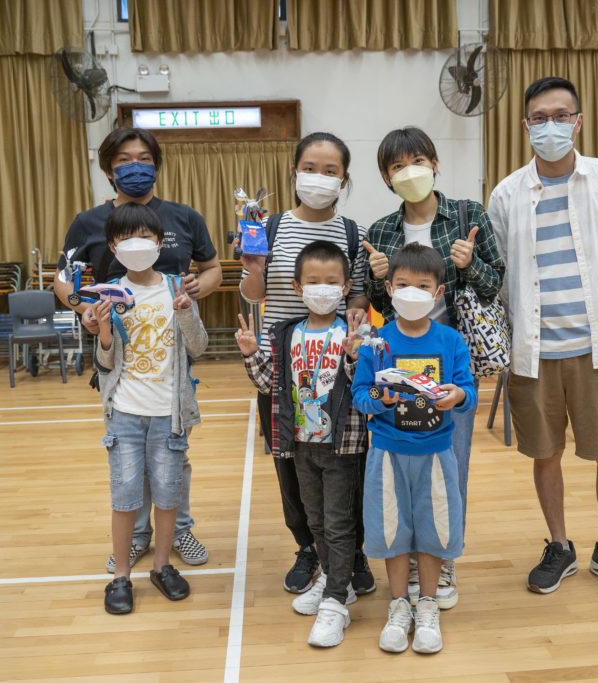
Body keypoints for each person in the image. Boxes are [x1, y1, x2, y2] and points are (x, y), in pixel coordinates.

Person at [486, 76, 598, 598]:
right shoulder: (506, 194)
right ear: (525, 126)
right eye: (540, 118)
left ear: (578, 122)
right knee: (545, 454)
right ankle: (559, 546)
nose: (550, 126)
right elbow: (500, 275)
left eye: (561, 115)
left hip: (597, 349)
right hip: (534, 352)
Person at [55, 126, 220, 574]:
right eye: (124, 160)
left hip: (172, 357)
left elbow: (213, 270)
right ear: (109, 169)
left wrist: (192, 294)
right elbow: (63, 278)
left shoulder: (183, 217)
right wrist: (85, 309)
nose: (135, 166)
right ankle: (137, 537)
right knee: (129, 458)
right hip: (120, 357)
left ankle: (179, 529)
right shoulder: (87, 222)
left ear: (157, 164)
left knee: (172, 457)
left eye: (144, 158)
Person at [363, 127, 504, 609]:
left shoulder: (468, 214)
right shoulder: (381, 231)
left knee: (450, 466)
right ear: (386, 177)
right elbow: (383, 303)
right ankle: (405, 560)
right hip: (399, 365)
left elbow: (494, 283)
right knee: (400, 463)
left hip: (450, 360)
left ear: (435, 163)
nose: (410, 172)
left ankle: (442, 562)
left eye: (418, 161)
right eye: (398, 166)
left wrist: (469, 264)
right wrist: (378, 279)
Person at [238, 132, 375, 596]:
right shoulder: (268, 227)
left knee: (347, 467)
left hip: (339, 370)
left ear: (344, 179)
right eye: (310, 168)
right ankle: (308, 548)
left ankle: (352, 551)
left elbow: (359, 293)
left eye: (330, 171)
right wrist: (255, 266)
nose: (319, 177)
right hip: (283, 369)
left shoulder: (353, 233)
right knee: (291, 468)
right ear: (294, 172)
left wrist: (355, 313)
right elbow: (253, 293)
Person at [235, 241, 368, 647]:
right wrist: (251, 354)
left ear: (346, 286)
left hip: (342, 446)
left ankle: (335, 604)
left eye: (331, 281)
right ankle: (335, 582)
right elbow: (269, 385)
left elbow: (364, 386)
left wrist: (354, 357)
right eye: (313, 281)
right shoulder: (285, 333)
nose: (322, 288)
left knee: (340, 524)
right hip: (300, 445)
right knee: (316, 522)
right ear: (297, 287)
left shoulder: (355, 332)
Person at [352, 243, 476, 654]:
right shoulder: (376, 341)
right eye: (403, 284)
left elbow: (468, 392)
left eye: (423, 286)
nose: (412, 293)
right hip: (387, 452)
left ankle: (427, 604)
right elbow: (361, 395)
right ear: (389, 289)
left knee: (434, 527)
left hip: (437, 453)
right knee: (392, 528)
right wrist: (382, 399)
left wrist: (457, 395)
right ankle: (398, 604)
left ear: (438, 293)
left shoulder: (451, 340)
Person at [92, 203, 208, 614]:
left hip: (169, 413)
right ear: (113, 246)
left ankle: (162, 566)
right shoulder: (110, 293)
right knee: (124, 495)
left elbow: (198, 347)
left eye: (145, 237)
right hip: (124, 412)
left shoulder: (177, 287)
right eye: (126, 239)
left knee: (167, 492)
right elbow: (105, 364)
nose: (137, 245)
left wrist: (186, 314)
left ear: (160, 243)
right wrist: (104, 332)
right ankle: (121, 576)